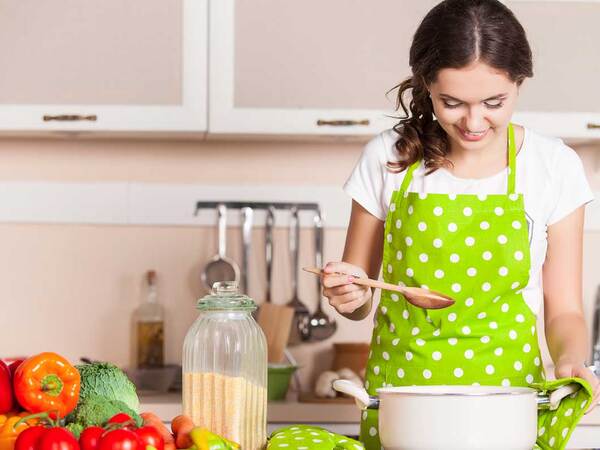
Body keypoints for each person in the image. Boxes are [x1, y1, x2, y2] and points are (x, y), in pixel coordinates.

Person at [320, 0, 599, 447]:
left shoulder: (553, 166)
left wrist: (569, 359)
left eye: (494, 102)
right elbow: (358, 298)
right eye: (452, 102)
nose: (473, 122)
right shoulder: (387, 157)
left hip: (507, 405)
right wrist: (346, 290)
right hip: (402, 404)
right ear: (426, 85)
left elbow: (564, 307)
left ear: (519, 84)